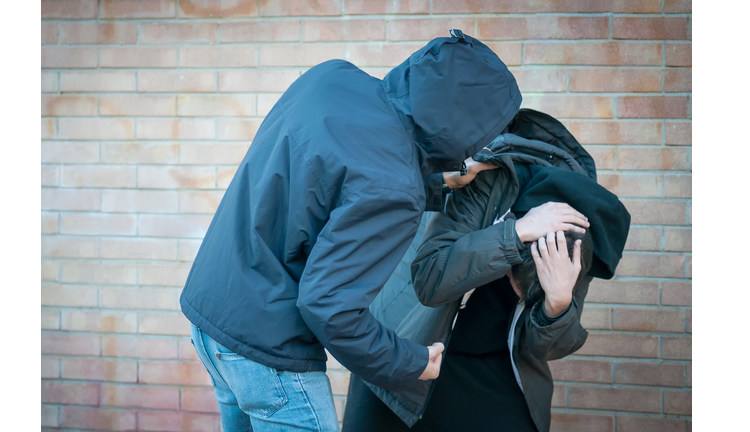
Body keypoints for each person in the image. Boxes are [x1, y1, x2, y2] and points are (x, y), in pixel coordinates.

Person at [179, 30, 524, 432]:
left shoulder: (330, 77)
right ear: (472, 124)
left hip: (211, 319)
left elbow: (339, 180)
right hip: (267, 353)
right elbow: (329, 307)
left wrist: (440, 181)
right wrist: (412, 363)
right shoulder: (395, 188)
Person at [342, 109, 631, 432]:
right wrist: (514, 235)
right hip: (412, 338)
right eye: (513, 280)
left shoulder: (576, 233)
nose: (513, 290)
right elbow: (430, 279)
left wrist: (558, 305)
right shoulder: (484, 178)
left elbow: (546, 347)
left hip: (498, 367)